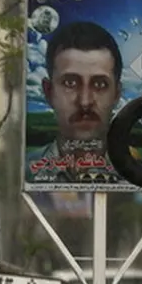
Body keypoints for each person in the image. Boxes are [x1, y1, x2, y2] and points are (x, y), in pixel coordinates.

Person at [26, 21, 124, 184]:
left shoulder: (137, 176)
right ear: (48, 92)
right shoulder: (24, 175)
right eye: (70, 83)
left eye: (100, 84)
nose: (85, 102)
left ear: (117, 94)